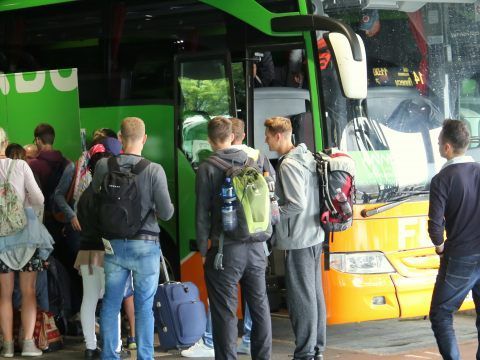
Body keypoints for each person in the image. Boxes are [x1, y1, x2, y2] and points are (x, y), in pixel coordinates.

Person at [91, 117, 174, 360]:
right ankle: (144, 357)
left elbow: (96, 195)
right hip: (145, 246)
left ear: (119, 138)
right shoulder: (154, 170)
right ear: (144, 139)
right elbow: (167, 213)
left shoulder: (104, 166)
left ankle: (109, 355)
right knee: (144, 307)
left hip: (114, 245)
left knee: (110, 304)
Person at [196, 116, 272, 360]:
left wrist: (202, 250)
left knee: (225, 312)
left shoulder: (207, 167)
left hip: (224, 250)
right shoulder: (257, 160)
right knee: (260, 308)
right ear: (233, 136)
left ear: (209, 140)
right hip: (258, 246)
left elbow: (202, 214)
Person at [264, 117, 325, 360]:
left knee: (301, 297)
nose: (266, 140)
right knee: (315, 295)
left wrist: (272, 215)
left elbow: (296, 203)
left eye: (268, 135)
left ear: (278, 135)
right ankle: (317, 349)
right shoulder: (307, 156)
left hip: (298, 238)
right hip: (314, 234)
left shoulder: (288, 164)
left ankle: (305, 352)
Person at [428, 119, 480, 360]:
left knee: (441, 313)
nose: (439, 145)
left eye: (439, 142)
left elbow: (435, 227)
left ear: (447, 147)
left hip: (461, 256)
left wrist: (440, 247)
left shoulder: (442, 180)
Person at [0, 127, 50, 357]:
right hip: (25, 240)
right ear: (6, 142)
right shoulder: (20, 166)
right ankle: (29, 344)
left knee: (4, 295)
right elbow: (39, 198)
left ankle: (8, 346)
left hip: (1, 242)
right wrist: (25, 206)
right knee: (28, 291)